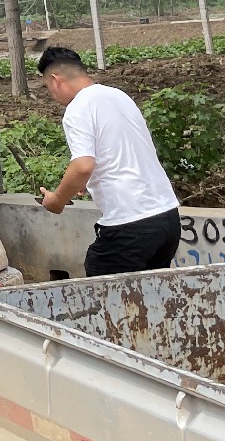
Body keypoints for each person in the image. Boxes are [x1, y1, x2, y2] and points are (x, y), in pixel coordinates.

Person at [35, 47, 181, 275]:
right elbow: (121, 152)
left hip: (130, 223)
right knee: (148, 292)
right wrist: (84, 181)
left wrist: (57, 200)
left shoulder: (78, 108)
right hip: (167, 218)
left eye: (47, 86)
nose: (51, 94)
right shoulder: (118, 96)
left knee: (102, 290)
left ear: (55, 79)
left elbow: (83, 166)